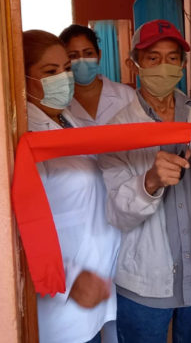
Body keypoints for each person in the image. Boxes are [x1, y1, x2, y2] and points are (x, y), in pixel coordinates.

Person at [97, 20, 191, 343]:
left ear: (183, 64)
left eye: (172, 58)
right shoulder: (116, 132)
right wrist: (149, 183)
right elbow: (116, 213)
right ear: (134, 64)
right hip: (144, 284)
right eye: (152, 58)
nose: (163, 67)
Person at [23, 29, 120, 343]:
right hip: (66, 291)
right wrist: (71, 275)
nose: (63, 78)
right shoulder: (27, 136)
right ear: (23, 77)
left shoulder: (67, 118)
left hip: (98, 280)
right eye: (50, 72)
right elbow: (23, 223)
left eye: (66, 69)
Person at [59, 24, 136, 127]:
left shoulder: (127, 96)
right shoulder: (59, 104)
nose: (82, 61)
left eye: (88, 53)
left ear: (99, 55)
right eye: (73, 55)